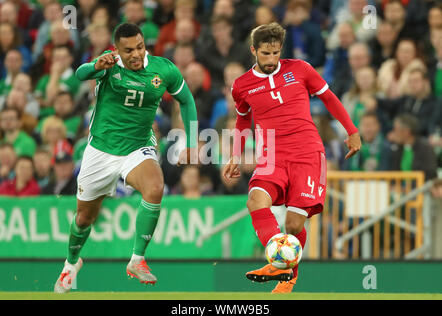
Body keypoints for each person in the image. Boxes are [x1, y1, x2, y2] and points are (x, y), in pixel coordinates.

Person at [53, 23, 197, 293]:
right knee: (84, 218)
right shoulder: (108, 64)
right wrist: (97, 65)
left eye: (140, 47)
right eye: (128, 50)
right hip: (101, 150)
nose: (136, 54)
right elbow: (80, 73)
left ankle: (137, 259)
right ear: (117, 49)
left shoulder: (163, 69)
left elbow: (187, 101)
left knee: (155, 188)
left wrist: (191, 138)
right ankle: (71, 263)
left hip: (137, 147)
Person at [222, 22, 361, 294]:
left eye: (275, 53)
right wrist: (235, 155)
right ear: (253, 51)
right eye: (265, 54)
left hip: (307, 152)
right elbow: (242, 122)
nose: (272, 59)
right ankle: (278, 261)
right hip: (271, 154)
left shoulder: (300, 69)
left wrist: (352, 130)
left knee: (294, 224)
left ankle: (288, 276)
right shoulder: (241, 86)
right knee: (255, 201)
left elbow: (330, 98)